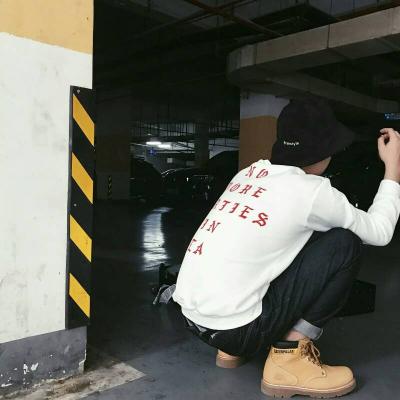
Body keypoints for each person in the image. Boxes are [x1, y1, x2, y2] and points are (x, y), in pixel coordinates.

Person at [172, 97, 400, 398]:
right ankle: (288, 359)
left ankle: (230, 351)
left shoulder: (250, 173)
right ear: (324, 151)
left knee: (292, 238)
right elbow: (380, 232)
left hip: (193, 318)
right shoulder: (312, 191)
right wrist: (393, 167)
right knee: (344, 243)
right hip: (236, 330)